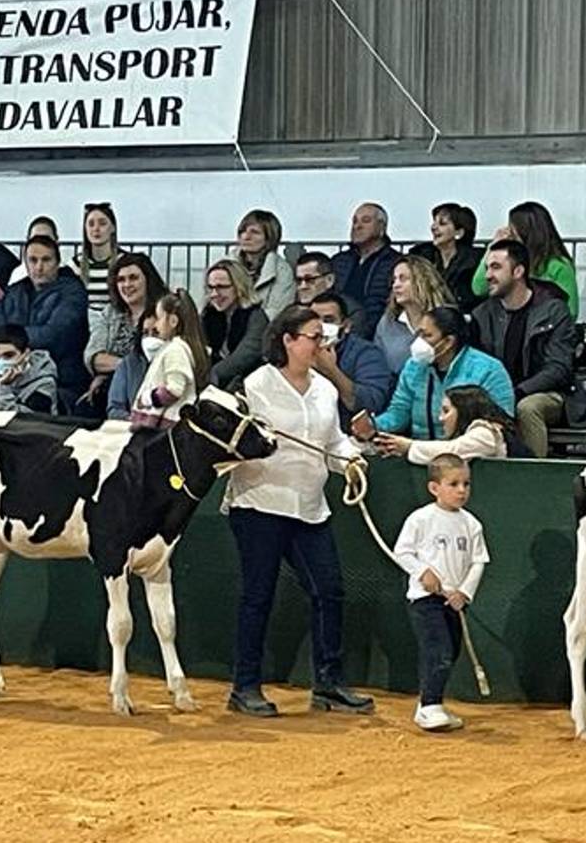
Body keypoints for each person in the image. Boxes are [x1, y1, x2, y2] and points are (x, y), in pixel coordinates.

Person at [222, 305, 374, 718]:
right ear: (287, 341)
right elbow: (236, 443)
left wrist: (352, 461)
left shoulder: (325, 389)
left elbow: (334, 442)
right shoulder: (256, 385)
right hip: (260, 504)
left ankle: (328, 683)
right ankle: (245, 686)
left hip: (310, 507)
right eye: (312, 337)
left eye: (322, 338)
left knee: (330, 590)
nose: (320, 345)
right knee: (258, 596)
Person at [394, 454, 489, 732]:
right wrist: (423, 572)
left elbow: (479, 561)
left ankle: (429, 702)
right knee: (439, 650)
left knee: (452, 650)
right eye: (454, 484)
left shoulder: (471, 524)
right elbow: (402, 551)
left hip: (454, 602)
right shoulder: (420, 519)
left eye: (466, 484)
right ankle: (430, 706)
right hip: (426, 601)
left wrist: (464, 593)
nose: (462, 490)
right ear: (434, 488)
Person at [470, 239, 578, 458]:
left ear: (518, 271)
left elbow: (559, 368)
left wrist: (518, 392)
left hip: (547, 394)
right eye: (487, 268)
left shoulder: (554, 310)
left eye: (496, 267)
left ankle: (531, 478)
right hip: (497, 392)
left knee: (527, 408)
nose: (488, 275)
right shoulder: (482, 315)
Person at [375, 306, 516, 439]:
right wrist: (373, 425)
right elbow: (398, 413)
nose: (419, 342)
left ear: (448, 341)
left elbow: (502, 424)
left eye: (427, 336)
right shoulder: (413, 366)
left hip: (472, 456)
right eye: (419, 334)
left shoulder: (490, 370)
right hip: (420, 454)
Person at [0, 236, 90, 407]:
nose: (39, 267)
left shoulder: (74, 293)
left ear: (57, 262)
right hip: (8, 374)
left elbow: (54, 337)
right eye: (33, 260)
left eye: (46, 260)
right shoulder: (13, 293)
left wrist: (11, 339)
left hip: (59, 379)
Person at [82, 252, 167, 410]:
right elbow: (93, 357)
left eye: (133, 278)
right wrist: (126, 367)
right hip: (111, 385)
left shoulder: (165, 313)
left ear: (148, 279)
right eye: (121, 280)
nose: (127, 285)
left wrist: (124, 368)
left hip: (152, 388)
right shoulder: (109, 314)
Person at [475, 201, 580, 318]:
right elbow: (479, 288)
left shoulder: (559, 266)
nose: (509, 236)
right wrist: (492, 247)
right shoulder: (510, 261)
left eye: (512, 232)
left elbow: (571, 311)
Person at [307, 292, 393, 426]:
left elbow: (371, 405)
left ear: (346, 326)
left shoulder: (367, 353)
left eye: (328, 320)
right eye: (315, 320)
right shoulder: (298, 348)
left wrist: (332, 371)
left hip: (349, 434)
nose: (321, 327)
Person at [372, 385, 517, 463]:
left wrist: (409, 446)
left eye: (446, 411)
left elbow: (452, 452)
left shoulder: (486, 432)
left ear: (464, 410)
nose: (441, 418)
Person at [129, 292, 208, 429]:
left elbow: (175, 389)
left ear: (173, 321)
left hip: (160, 429)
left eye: (159, 318)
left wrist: (147, 399)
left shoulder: (175, 350)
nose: (156, 325)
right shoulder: (179, 348)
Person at [372, 255, 455, 380]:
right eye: (394, 280)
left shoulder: (447, 318)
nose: (396, 285)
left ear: (422, 281)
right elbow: (378, 365)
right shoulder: (387, 323)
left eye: (403, 279)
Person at [330, 202, 401, 339]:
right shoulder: (339, 261)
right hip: (338, 334)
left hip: (379, 335)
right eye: (354, 221)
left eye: (366, 221)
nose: (357, 226)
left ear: (382, 227)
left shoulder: (395, 262)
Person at [200, 259, 268, 391]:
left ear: (239, 286)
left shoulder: (257, 317)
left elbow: (244, 357)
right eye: (211, 288)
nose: (214, 294)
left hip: (248, 387)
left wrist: (210, 377)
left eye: (221, 287)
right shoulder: (206, 317)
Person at [409, 203, 483, 312]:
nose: (433, 227)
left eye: (442, 223)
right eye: (434, 222)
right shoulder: (424, 256)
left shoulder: (474, 261)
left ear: (459, 232)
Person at [0, 323, 61, 414]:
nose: (2, 361)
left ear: (26, 354)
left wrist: (3, 387)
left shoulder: (45, 382)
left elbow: (27, 421)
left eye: (9, 355)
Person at [236, 209, 296, 320]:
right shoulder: (224, 266)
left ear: (269, 238)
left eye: (254, 232)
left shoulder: (282, 271)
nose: (246, 237)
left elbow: (278, 312)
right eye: (242, 231)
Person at [106, 307, 158, 422]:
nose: (150, 338)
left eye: (156, 333)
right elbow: (114, 409)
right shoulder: (128, 364)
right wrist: (134, 420)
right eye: (145, 333)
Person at [73, 203, 122, 318]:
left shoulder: (124, 262)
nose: (96, 229)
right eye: (91, 224)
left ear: (113, 228)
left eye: (102, 223)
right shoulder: (75, 265)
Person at [9, 215, 60, 287]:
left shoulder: (67, 274)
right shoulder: (18, 274)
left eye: (46, 240)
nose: (40, 244)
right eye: (35, 239)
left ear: (56, 241)